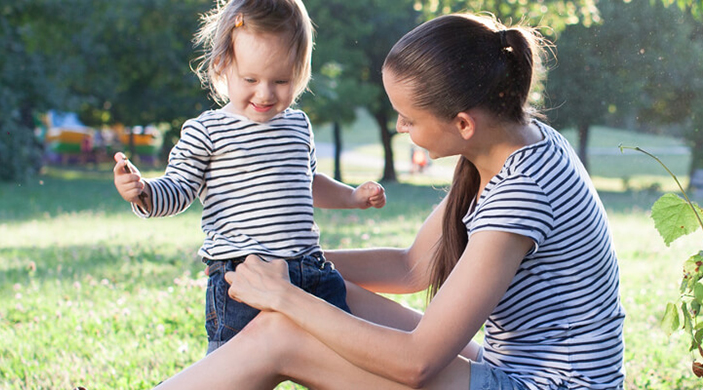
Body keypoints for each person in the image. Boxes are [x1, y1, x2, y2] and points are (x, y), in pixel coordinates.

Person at [154, 13, 624, 389]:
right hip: (513, 367)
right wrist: (287, 264)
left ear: (463, 122)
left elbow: (416, 364)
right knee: (332, 295)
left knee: (282, 330)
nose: (400, 127)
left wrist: (284, 293)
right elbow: (411, 268)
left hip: (542, 385)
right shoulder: (511, 142)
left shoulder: (523, 191)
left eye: (408, 118)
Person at [112, 0, 386, 354]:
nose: (265, 93)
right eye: (251, 79)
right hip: (241, 278)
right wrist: (143, 192)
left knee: (346, 358)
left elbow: (307, 182)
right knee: (235, 368)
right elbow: (180, 188)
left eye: (281, 80)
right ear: (222, 67)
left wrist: (351, 197)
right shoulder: (206, 131)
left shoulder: (297, 126)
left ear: (300, 73)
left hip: (309, 271)